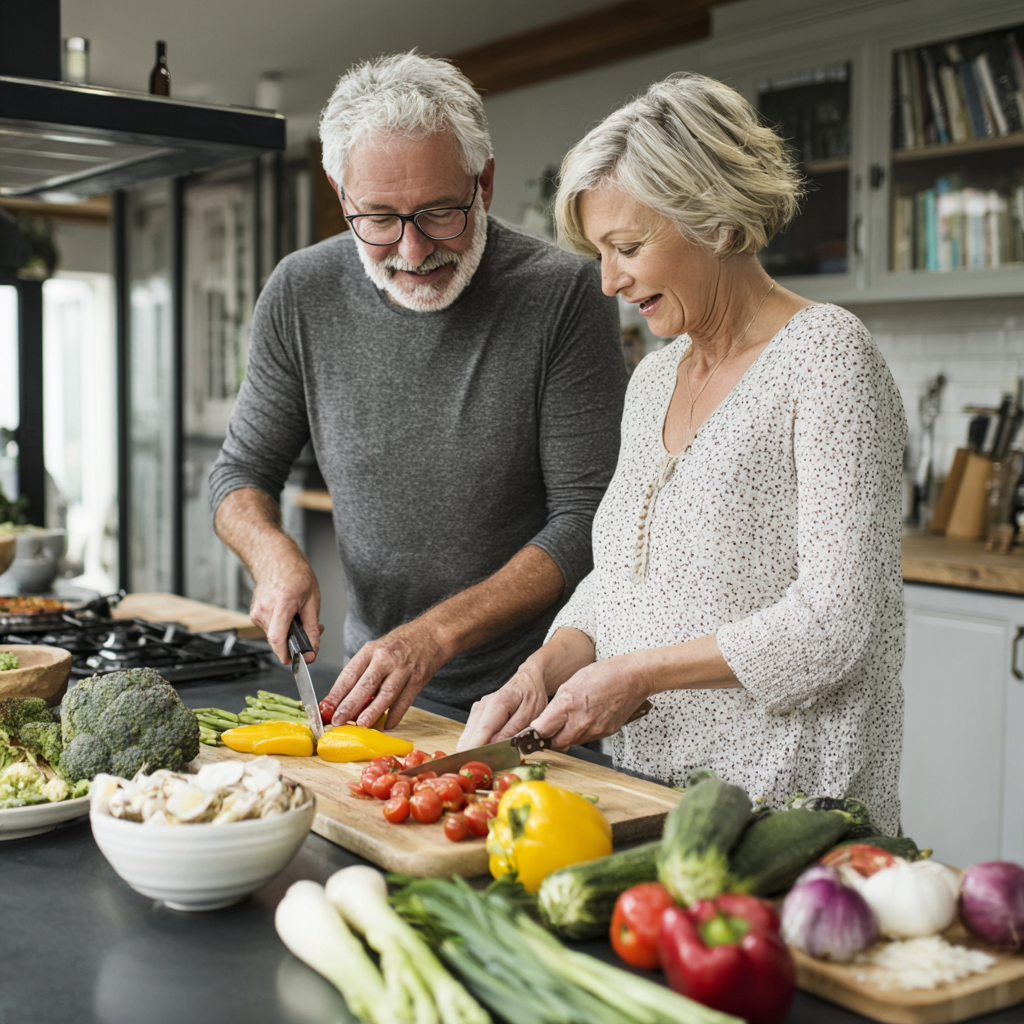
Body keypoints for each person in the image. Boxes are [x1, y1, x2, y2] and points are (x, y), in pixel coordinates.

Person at [459, 73, 907, 834]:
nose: (608, 281)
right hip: (655, 804)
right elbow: (620, 582)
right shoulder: (656, 377)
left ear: (717, 221)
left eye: (627, 247)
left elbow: (834, 625)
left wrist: (636, 676)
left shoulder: (828, 357)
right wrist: (540, 673)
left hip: (788, 820)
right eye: (600, 253)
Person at [209, 53, 627, 730]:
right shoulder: (299, 291)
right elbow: (239, 473)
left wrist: (434, 636)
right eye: (377, 218)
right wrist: (272, 553)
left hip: (534, 698)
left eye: (439, 212)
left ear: (483, 182)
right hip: (379, 697)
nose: (412, 249)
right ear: (341, 196)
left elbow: (586, 521)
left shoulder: (565, 293)